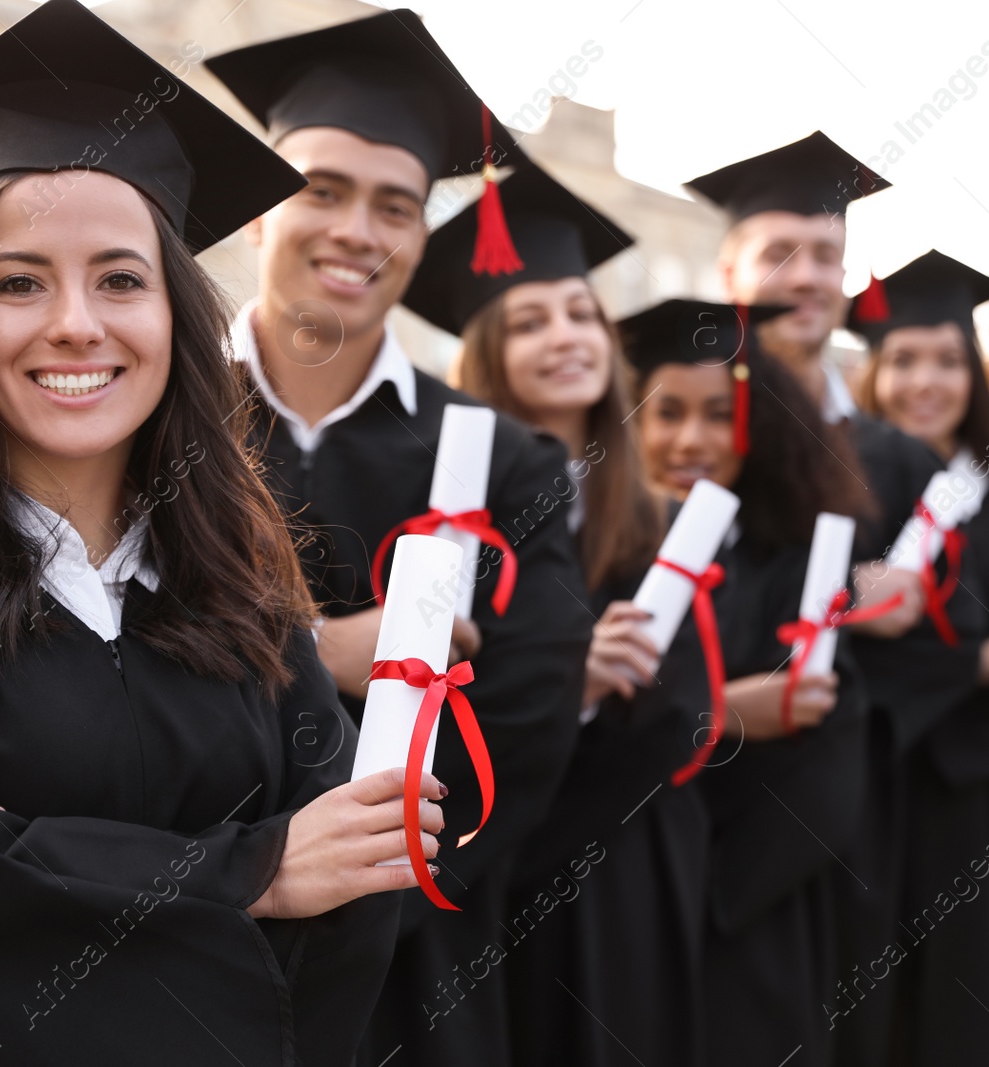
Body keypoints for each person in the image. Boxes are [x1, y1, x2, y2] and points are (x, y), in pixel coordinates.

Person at [0, 3, 435, 1064]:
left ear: (173, 320)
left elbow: (350, 907)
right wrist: (251, 873)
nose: (75, 322)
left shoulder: (248, 595)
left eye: (120, 277)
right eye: (19, 282)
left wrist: (10, 846)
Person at [204, 14, 591, 1066]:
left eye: (395, 205)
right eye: (320, 189)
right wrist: (232, 873)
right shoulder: (152, 425)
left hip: (417, 951)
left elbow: (531, 700)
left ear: (425, 236)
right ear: (256, 208)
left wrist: (388, 890)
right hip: (188, 930)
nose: (357, 231)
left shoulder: (502, 458)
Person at [686, 135, 975, 1066]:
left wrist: (918, 603)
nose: (804, 276)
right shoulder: (687, 425)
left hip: (862, 812)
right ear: (727, 270)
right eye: (778, 253)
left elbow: (969, 633)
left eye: (824, 256)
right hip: (700, 798)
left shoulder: (897, 457)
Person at [421, 162, 710, 1065]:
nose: (566, 336)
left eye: (582, 313)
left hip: (622, 860)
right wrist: (560, 682)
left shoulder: (660, 517)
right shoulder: (445, 504)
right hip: (488, 854)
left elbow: (686, 709)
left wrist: (613, 688)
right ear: (484, 349)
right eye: (531, 320)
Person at [625, 297, 875, 1066]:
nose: (691, 439)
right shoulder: (593, 563)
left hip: (744, 909)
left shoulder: (795, 569)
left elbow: (825, 762)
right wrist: (720, 712)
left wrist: (708, 892)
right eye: (665, 413)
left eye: (717, 414)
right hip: (613, 896)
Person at [851, 249, 989, 1063]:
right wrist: (966, 662)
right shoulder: (835, 495)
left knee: (967, 1002)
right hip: (854, 791)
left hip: (972, 799)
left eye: (948, 361)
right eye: (902, 360)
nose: (925, 382)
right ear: (871, 372)